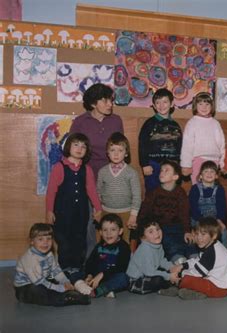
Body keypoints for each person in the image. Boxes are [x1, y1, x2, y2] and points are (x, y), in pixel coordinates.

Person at [69, 83, 123, 255]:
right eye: (105, 100)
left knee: (110, 218)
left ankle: (113, 255)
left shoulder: (116, 120)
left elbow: (120, 148)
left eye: (111, 100)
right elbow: (72, 150)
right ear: (93, 103)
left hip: (111, 175)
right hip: (87, 176)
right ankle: (91, 258)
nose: (110, 104)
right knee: (90, 220)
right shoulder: (80, 122)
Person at [45, 133, 102, 275]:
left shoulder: (87, 169)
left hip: (81, 214)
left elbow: (91, 190)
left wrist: (98, 208)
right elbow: (51, 191)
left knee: (79, 242)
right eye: (76, 144)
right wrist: (49, 211)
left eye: (83, 146)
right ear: (68, 146)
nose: (79, 148)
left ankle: (76, 269)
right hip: (62, 214)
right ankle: (64, 270)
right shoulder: (59, 167)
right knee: (64, 243)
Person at [14, 223, 90, 306]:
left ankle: (68, 292)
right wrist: (59, 288)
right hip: (26, 288)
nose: (45, 242)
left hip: (43, 280)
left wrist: (65, 282)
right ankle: (65, 298)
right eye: (40, 239)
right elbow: (38, 282)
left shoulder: (49, 255)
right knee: (39, 290)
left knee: (57, 279)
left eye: (48, 239)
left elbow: (56, 271)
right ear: (32, 241)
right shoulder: (30, 259)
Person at [137, 160, 193, 264]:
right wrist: (141, 231)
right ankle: (178, 259)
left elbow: (184, 213)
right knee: (168, 241)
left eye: (166, 171)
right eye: (161, 170)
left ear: (175, 177)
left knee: (187, 241)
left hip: (177, 226)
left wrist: (187, 231)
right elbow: (144, 211)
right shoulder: (154, 192)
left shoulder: (180, 192)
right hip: (160, 227)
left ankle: (193, 258)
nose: (162, 173)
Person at [174, 217, 227, 300]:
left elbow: (197, 272)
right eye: (196, 234)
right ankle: (183, 289)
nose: (199, 238)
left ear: (214, 235)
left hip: (219, 288)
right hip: (217, 284)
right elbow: (198, 260)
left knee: (186, 279)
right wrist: (182, 266)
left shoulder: (211, 252)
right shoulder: (211, 245)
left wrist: (180, 274)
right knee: (187, 277)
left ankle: (178, 285)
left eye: (203, 234)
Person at [96, 132, 141, 245]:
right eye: (112, 150)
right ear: (107, 152)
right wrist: (97, 210)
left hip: (126, 213)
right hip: (106, 212)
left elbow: (137, 195)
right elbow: (98, 192)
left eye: (120, 150)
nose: (116, 154)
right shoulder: (103, 171)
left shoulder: (131, 172)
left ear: (126, 153)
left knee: (124, 243)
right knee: (104, 242)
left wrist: (133, 215)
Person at [138, 88, 182, 193]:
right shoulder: (149, 123)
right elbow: (142, 145)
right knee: (152, 192)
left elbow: (179, 146)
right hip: (153, 165)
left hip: (171, 166)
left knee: (170, 193)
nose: (161, 106)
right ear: (154, 105)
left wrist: (179, 164)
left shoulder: (175, 126)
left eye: (165, 102)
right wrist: (144, 164)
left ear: (172, 104)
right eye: (158, 102)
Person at [126, 215, 181, 295]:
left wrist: (172, 267)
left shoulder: (158, 245)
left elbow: (161, 260)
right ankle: (165, 288)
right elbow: (149, 272)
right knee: (159, 279)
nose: (156, 233)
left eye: (158, 229)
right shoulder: (145, 249)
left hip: (147, 275)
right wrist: (168, 276)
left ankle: (172, 284)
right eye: (151, 231)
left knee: (169, 273)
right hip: (136, 280)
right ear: (143, 238)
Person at [180, 92, 225, 184]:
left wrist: (223, 163)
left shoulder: (215, 123)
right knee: (197, 186)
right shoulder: (192, 123)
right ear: (195, 106)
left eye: (207, 104)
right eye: (200, 104)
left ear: (211, 106)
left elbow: (222, 144)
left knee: (211, 187)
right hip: (197, 159)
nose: (204, 107)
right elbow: (187, 146)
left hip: (214, 160)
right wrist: (186, 164)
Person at [84, 214, 130, 298]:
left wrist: (103, 274)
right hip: (96, 278)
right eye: (105, 230)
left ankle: (101, 290)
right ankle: (83, 286)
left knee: (124, 278)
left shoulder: (124, 247)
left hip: (111, 277)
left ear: (120, 231)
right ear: (100, 232)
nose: (108, 233)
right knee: (78, 272)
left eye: (113, 229)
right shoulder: (99, 246)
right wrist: (89, 275)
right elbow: (90, 262)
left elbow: (121, 268)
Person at [189, 161, 227, 248]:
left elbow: (222, 207)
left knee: (223, 231)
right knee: (200, 233)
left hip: (214, 220)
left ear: (216, 176)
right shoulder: (195, 189)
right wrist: (202, 222)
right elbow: (193, 208)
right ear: (201, 176)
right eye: (206, 171)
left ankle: (225, 254)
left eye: (212, 171)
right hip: (198, 220)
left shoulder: (219, 189)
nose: (209, 173)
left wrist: (220, 220)